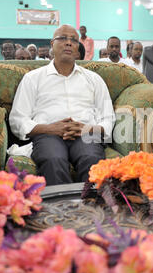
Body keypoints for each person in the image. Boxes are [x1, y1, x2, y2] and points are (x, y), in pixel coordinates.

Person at [9, 24, 115, 185]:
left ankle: (91, 209)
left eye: (73, 39)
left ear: (78, 49)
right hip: (47, 134)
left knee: (92, 159)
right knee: (53, 159)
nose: (68, 42)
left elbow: (108, 118)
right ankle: (59, 209)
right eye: (63, 38)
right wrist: (50, 128)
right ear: (52, 44)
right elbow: (18, 119)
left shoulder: (94, 79)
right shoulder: (33, 78)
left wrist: (86, 128)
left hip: (87, 134)